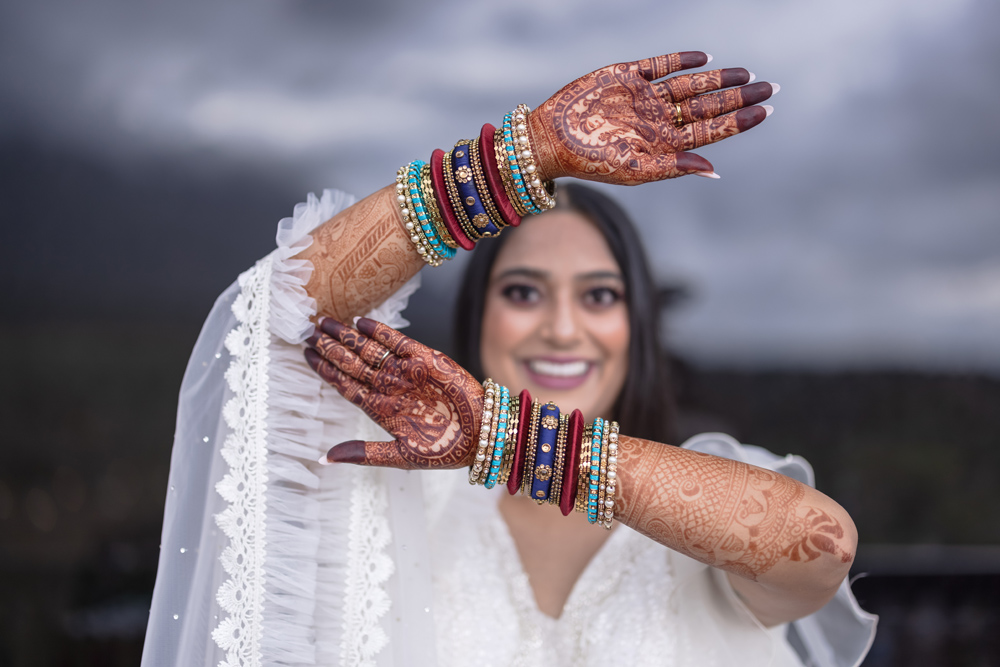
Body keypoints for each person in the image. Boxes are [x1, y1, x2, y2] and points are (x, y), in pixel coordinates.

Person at [142, 52, 876, 667]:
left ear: (637, 326)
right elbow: (284, 316)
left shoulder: (706, 513)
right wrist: (523, 155)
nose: (561, 328)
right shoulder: (394, 507)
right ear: (479, 311)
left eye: (598, 297)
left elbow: (821, 546)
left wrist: (514, 441)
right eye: (525, 291)